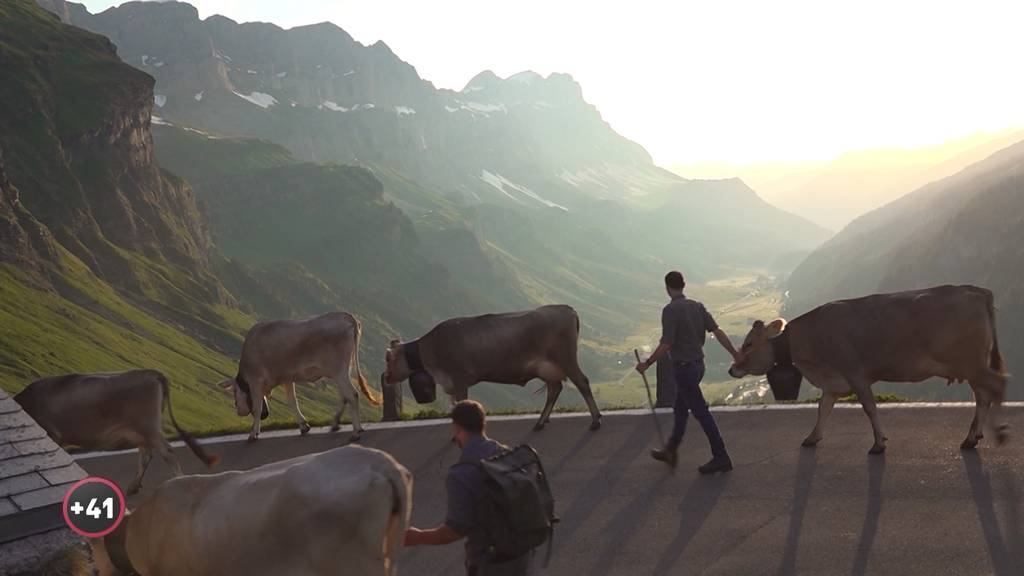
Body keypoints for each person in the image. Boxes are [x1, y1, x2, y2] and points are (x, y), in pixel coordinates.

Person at [404, 400, 532, 575]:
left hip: (490, 564)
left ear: (457, 429)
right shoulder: (509, 455)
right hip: (523, 559)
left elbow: (453, 531)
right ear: (483, 424)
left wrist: (418, 537)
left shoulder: (461, 474)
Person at [635, 270, 744, 473]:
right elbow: (717, 331)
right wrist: (734, 353)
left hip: (683, 369)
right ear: (683, 285)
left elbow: (667, 343)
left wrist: (647, 363)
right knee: (680, 410)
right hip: (698, 366)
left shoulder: (670, 310)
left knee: (701, 413)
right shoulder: (697, 306)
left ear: (667, 288)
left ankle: (720, 456)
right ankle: (671, 450)